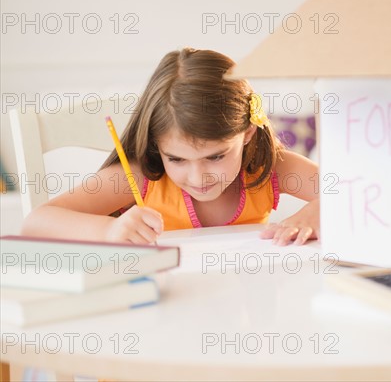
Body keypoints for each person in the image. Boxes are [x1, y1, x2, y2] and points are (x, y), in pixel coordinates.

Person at [21, 48, 319, 246]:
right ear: (156, 145)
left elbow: (353, 189)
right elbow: (36, 223)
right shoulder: (142, 177)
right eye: (176, 159)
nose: (198, 177)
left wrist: (320, 211)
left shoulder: (270, 168)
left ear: (247, 133)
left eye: (215, 156)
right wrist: (109, 231)